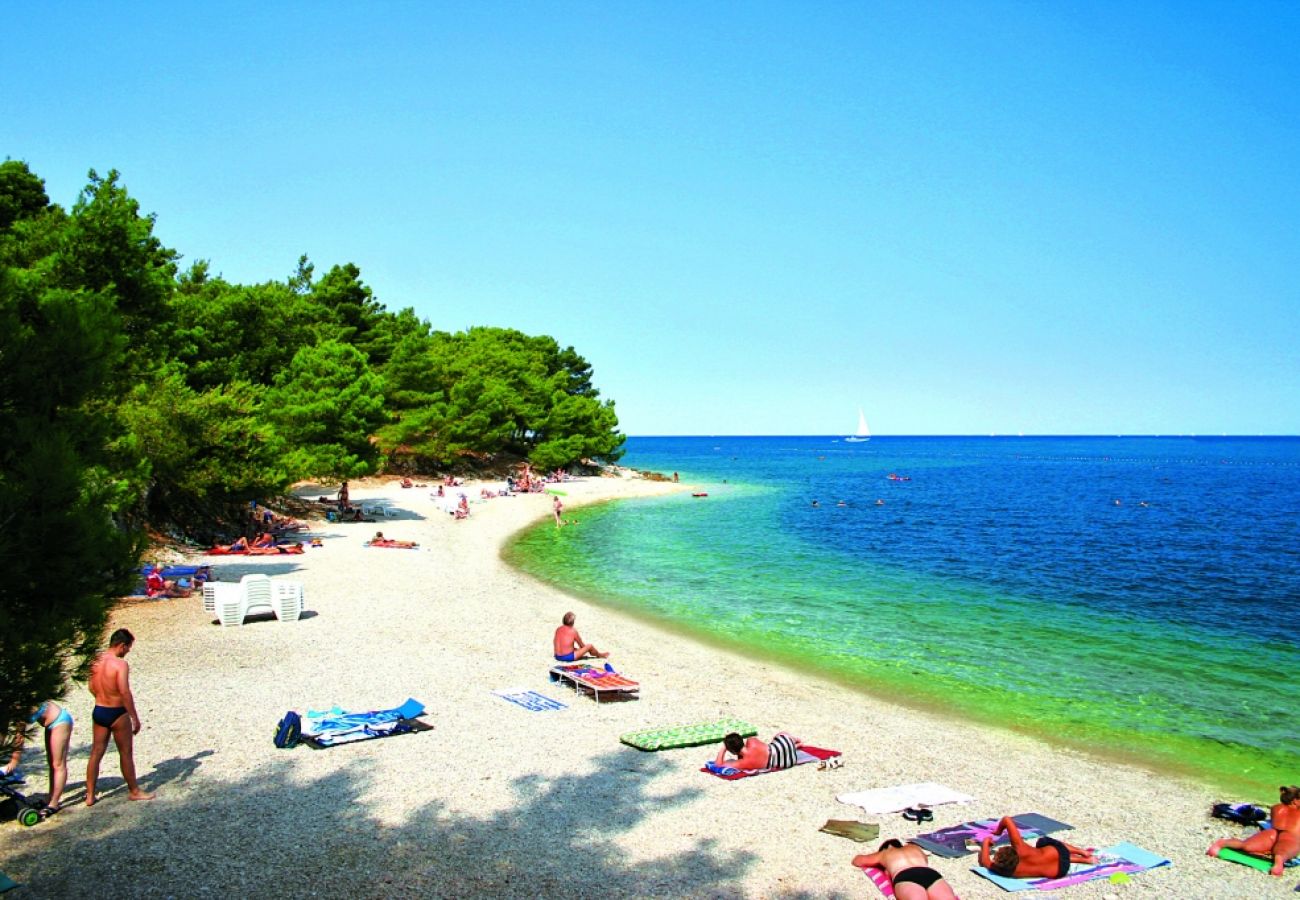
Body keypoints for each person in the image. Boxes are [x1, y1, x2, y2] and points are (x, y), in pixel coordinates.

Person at [85, 628, 154, 806]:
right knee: (125, 753)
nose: (128, 651)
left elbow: (91, 686)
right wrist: (134, 717)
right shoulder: (120, 665)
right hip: (116, 712)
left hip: (99, 709)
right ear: (121, 645)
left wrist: (101, 697)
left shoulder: (95, 660)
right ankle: (134, 790)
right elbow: (124, 691)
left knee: (96, 752)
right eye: (128, 647)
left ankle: (90, 795)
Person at [1, 700, 74, 816]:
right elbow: (3, 731)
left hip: (60, 721)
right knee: (51, 763)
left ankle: (54, 803)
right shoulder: (8, 704)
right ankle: (50, 797)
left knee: (58, 764)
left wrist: (14, 761)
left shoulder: (19, 704)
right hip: (49, 725)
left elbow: (20, 736)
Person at [1208, 785, 1300, 876]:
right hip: (1290, 836)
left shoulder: (1275, 808)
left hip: (1272, 833)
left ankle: (1222, 843)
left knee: (1245, 845)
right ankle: (1278, 863)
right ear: (1295, 801)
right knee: (1282, 852)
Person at [979, 816, 1096, 879]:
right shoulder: (1021, 848)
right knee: (1043, 842)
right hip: (1058, 854)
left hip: (1059, 871)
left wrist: (985, 842)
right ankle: (1082, 852)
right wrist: (999, 831)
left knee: (1047, 854)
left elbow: (985, 861)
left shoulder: (1005, 871)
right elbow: (1007, 819)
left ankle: (1083, 860)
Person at [852, 839, 958, 900]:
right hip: (930, 874)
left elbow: (858, 861)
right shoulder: (915, 848)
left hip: (905, 876)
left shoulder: (885, 853)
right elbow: (925, 860)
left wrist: (881, 861)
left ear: (887, 847)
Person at [713, 730, 801, 771]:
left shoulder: (743, 763)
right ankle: (795, 740)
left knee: (775, 750)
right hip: (785, 743)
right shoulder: (752, 741)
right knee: (780, 734)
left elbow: (718, 765)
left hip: (788, 762)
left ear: (732, 751)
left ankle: (795, 746)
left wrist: (724, 748)